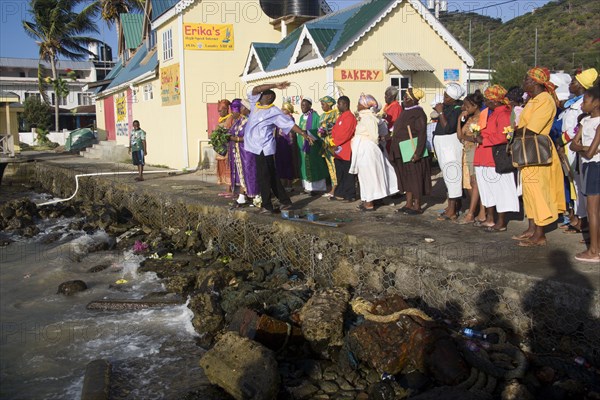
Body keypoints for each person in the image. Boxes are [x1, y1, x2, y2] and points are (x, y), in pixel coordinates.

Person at [513, 67, 566, 246]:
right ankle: (531, 228)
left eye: (526, 79)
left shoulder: (545, 100)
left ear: (535, 82)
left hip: (536, 149)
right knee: (528, 192)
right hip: (527, 149)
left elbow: (533, 128)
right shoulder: (533, 100)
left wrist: (512, 132)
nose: (523, 82)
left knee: (537, 191)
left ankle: (540, 234)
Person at [244, 82, 312, 214]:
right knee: (272, 175)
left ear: (269, 97)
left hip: (264, 148)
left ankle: (267, 206)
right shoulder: (255, 104)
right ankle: (285, 202)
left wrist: (303, 133)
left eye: (264, 93)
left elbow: (289, 124)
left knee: (264, 176)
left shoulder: (274, 111)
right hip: (255, 147)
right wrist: (275, 84)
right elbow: (256, 89)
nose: (261, 93)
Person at [472, 85, 520, 232]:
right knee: (487, 190)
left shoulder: (503, 113)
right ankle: (490, 218)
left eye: (487, 98)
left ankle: (501, 221)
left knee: (500, 190)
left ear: (494, 101)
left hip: (494, 157)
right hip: (483, 156)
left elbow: (504, 135)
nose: (485, 101)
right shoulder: (490, 113)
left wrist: (484, 140)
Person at [557, 68, 598, 234]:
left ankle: (583, 220)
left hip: (575, 147)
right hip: (570, 147)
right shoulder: (574, 103)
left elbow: (575, 129)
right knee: (574, 183)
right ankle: (579, 217)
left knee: (579, 184)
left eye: (574, 82)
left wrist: (562, 141)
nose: (570, 85)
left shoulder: (584, 105)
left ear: (581, 86)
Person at [349, 94, 398, 211]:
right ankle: (367, 199)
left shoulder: (369, 118)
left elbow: (374, 136)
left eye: (359, 103)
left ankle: (369, 203)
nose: (357, 105)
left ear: (365, 106)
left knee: (368, 175)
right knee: (364, 176)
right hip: (363, 149)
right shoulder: (365, 117)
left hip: (367, 150)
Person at [570, 83, 600, 263]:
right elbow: (574, 145)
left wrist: (582, 149)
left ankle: (594, 250)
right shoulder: (585, 121)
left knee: (593, 209)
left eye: (586, 101)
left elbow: (589, 153)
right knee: (593, 209)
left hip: (595, 166)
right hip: (588, 165)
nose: (582, 105)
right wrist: (584, 147)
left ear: (596, 104)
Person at [389, 87, 431, 214]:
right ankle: (408, 203)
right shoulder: (405, 111)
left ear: (415, 100)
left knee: (415, 178)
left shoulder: (418, 113)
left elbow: (422, 133)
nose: (405, 99)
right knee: (406, 178)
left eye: (408, 97)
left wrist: (417, 153)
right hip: (401, 151)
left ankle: (417, 205)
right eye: (405, 96)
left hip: (411, 151)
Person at [433, 82, 465, 220]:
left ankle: (452, 210)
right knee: (447, 176)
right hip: (443, 145)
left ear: (453, 98)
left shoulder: (457, 109)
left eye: (446, 96)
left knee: (452, 175)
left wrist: (440, 112)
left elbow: (448, 128)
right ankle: (451, 206)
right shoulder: (450, 107)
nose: (444, 98)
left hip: (450, 146)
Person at [456, 90, 486, 224]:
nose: (466, 109)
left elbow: (478, 138)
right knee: (469, 182)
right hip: (467, 150)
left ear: (475, 105)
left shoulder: (481, 118)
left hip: (475, 150)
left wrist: (468, 137)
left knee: (475, 182)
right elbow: (460, 135)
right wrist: (459, 120)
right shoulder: (469, 118)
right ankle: (477, 210)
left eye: (468, 106)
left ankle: (473, 212)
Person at [227, 98, 259, 207]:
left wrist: (236, 139)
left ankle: (256, 196)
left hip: (248, 153)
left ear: (246, 108)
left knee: (250, 174)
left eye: (242, 107)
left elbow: (251, 138)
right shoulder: (240, 120)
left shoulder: (252, 121)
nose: (240, 109)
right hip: (238, 153)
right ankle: (242, 197)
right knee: (241, 175)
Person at [297, 98, 328, 194]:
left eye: (304, 105)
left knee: (315, 166)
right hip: (303, 146)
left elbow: (319, 130)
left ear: (310, 106)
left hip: (313, 146)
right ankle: (308, 188)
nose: (302, 107)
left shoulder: (315, 116)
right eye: (301, 105)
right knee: (304, 166)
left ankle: (318, 188)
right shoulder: (302, 117)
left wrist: (308, 133)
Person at [330, 96, 357, 201]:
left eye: (339, 103)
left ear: (345, 104)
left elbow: (346, 134)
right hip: (338, 150)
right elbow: (335, 130)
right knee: (339, 173)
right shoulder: (341, 117)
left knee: (348, 173)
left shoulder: (350, 117)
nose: (337, 105)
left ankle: (350, 194)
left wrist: (336, 143)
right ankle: (340, 193)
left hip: (346, 150)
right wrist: (333, 143)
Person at [318, 96, 339, 198]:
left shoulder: (336, 113)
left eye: (323, 104)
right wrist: (320, 134)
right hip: (325, 144)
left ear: (329, 104)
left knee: (335, 166)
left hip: (334, 144)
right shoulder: (321, 116)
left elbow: (338, 127)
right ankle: (333, 187)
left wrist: (329, 132)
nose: (322, 106)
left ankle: (335, 188)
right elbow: (319, 129)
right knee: (330, 166)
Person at [275, 102, 298, 192]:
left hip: (287, 144)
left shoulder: (289, 119)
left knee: (288, 163)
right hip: (280, 143)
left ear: (288, 110)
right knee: (280, 163)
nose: (281, 110)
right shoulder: (280, 118)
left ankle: (289, 183)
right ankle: (282, 182)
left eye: (283, 109)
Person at [216, 99, 233, 187]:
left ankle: (230, 189)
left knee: (228, 167)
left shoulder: (230, 118)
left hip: (227, 147)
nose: (219, 113)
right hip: (221, 147)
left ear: (226, 109)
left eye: (221, 110)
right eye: (218, 111)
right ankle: (226, 187)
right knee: (222, 166)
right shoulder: (221, 119)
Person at [381, 86, 402, 153]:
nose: (385, 97)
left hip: (391, 139)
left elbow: (394, 124)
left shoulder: (396, 107)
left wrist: (388, 135)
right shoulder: (388, 107)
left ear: (392, 96)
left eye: (387, 95)